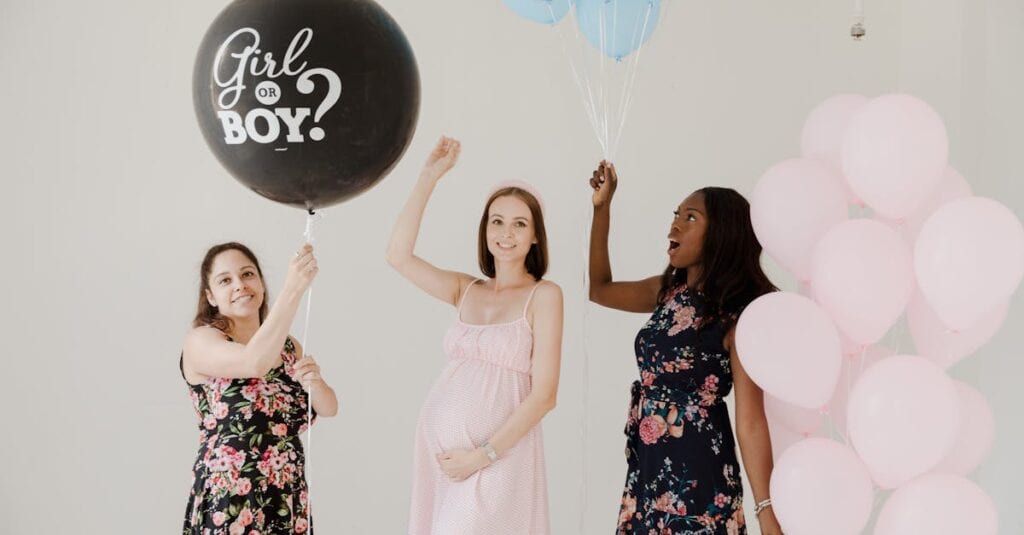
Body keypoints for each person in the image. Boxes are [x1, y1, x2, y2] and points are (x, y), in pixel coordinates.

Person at [588, 162, 783, 535]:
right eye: (676, 215)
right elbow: (598, 288)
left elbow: (751, 422)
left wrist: (766, 512)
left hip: (698, 472)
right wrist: (602, 208)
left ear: (720, 235)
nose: (674, 225)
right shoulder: (666, 293)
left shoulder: (737, 315)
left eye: (690, 218)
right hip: (647, 469)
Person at [386, 136, 563, 534]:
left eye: (520, 223)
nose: (505, 232)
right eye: (496, 221)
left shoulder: (544, 296)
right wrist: (429, 177)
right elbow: (397, 255)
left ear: (536, 235)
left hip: (498, 458)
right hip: (442, 458)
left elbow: (545, 395)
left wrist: (482, 456)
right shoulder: (466, 289)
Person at [180, 242, 338, 534]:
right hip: (230, 500)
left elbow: (328, 407)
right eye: (225, 280)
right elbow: (254, 362)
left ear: (261, 283)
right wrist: (293, 290)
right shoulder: (201, 341)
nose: (240, 285)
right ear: (210, 296)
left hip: (285, 498)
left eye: (248, 274)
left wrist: (315, 382)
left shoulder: (288, 346)